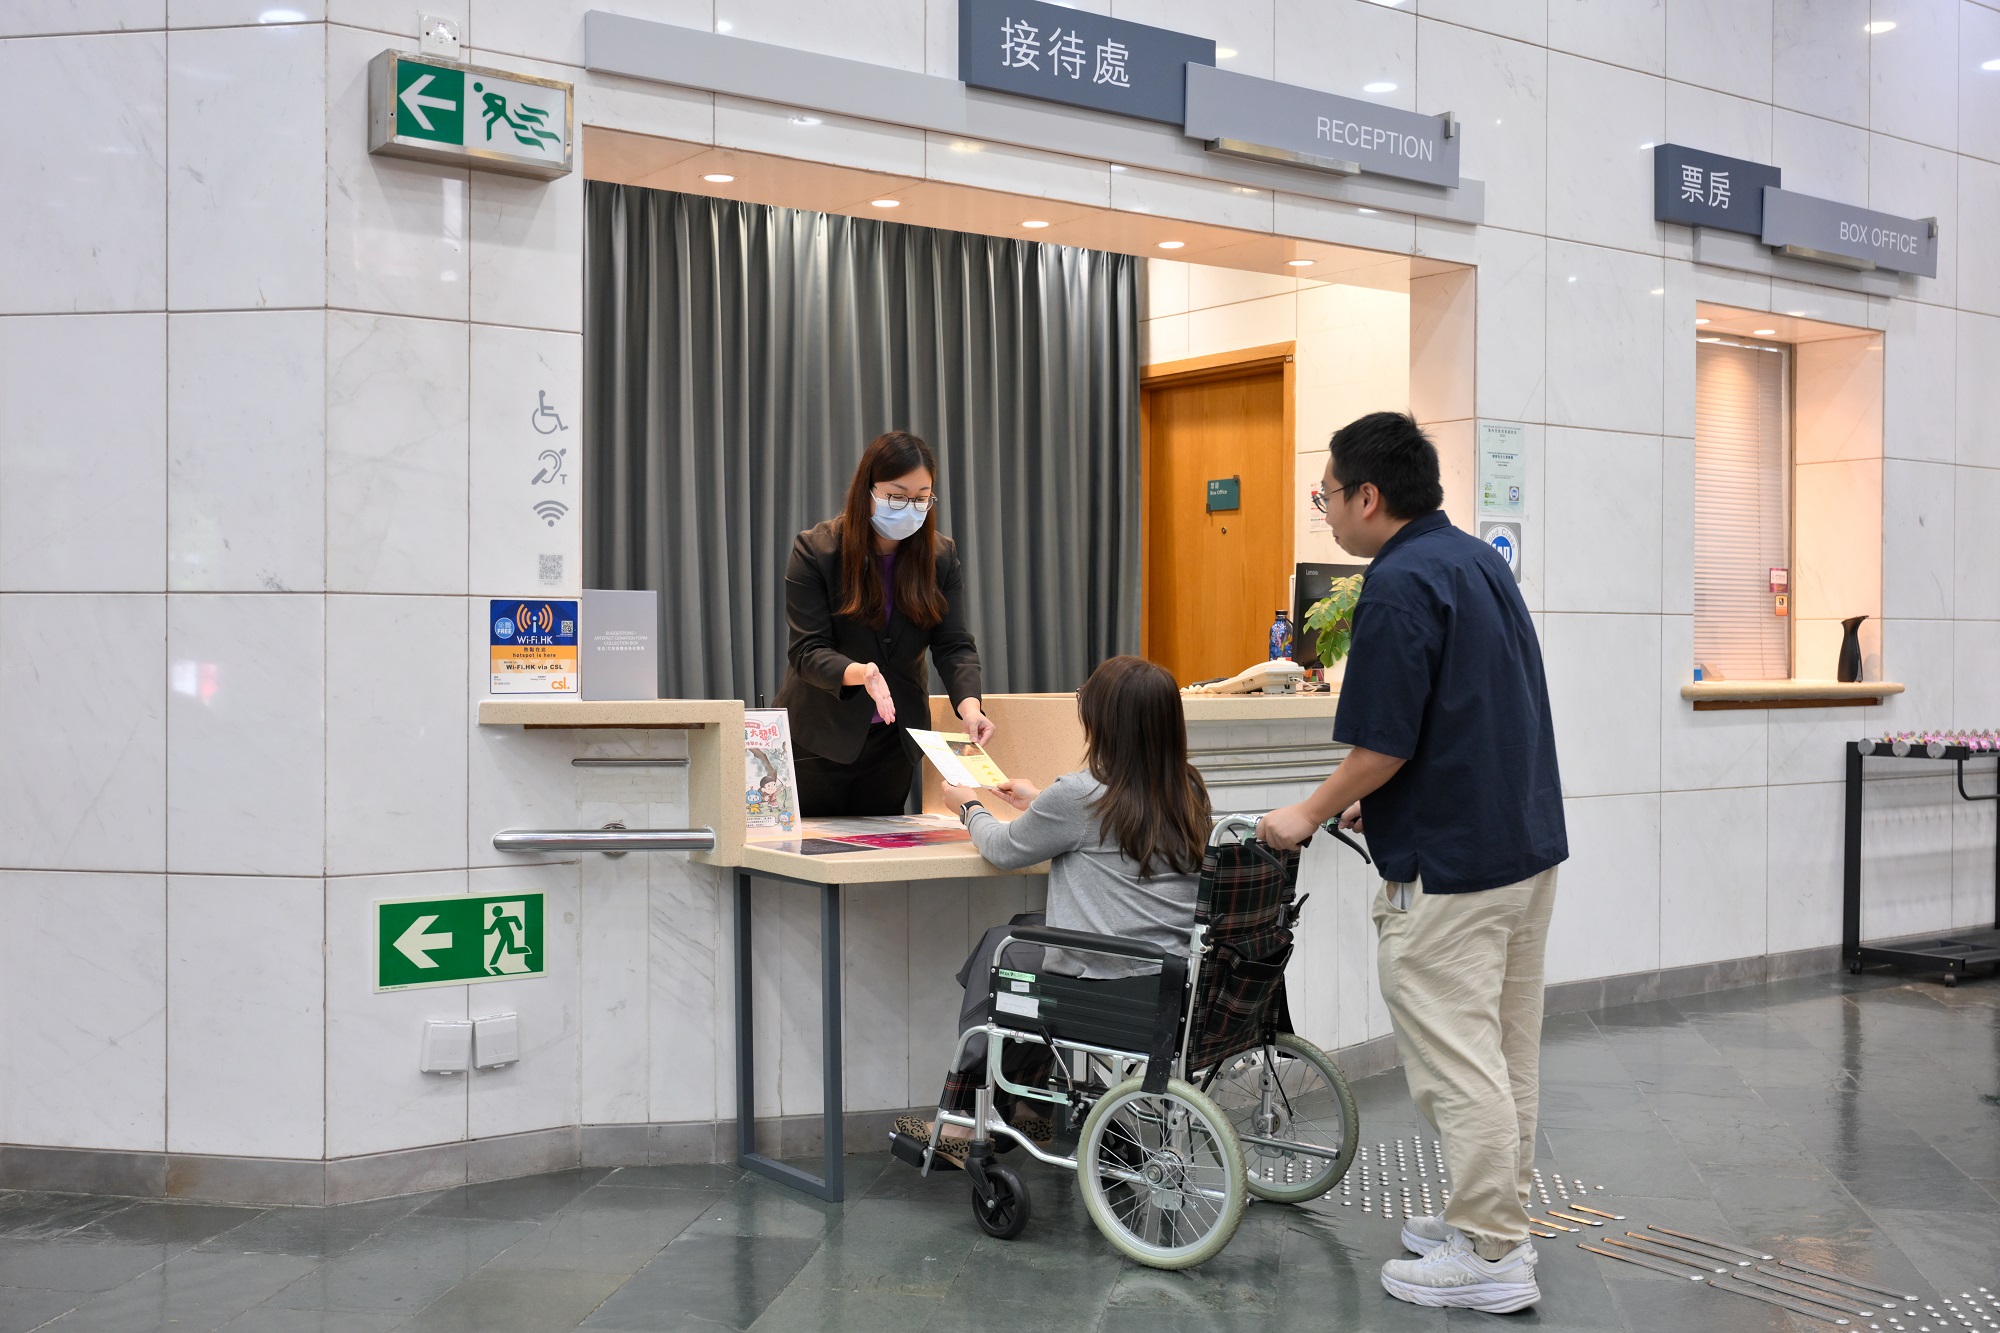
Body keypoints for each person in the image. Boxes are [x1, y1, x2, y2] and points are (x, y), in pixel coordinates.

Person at [1258, 412, 1567, 1314]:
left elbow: (1383, 740)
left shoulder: (1394, 583)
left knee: (1456, 1061)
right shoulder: (1476, 561)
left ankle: (1490, 1252)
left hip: (1453, 870)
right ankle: (1490, 1220)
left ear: (1368, 496)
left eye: (1326, 494)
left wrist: (1308, 811)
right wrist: (1379, 793)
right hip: (1522, 849)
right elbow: (1464, 716)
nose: (1324, 510)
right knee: (1507, 1053)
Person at [897, 655, 1211, 1165]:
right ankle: (1019, 1102)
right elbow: (1114, 823)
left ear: (1104, 722)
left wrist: (965, 805)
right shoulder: (1186, 788)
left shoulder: (1080, 796)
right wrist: (1038, 800)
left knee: (1003, 952)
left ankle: (963, 1118)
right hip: (1165, 975)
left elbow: (1000, 849)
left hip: (1108, 985)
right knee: (1023, 930)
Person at [775, 431, 992, 816]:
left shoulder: (940, 557)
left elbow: (953, 643)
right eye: (896, 494)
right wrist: (862, 673)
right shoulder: (816, 550)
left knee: (877, 855)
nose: (909, 506)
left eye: (921, 497)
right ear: (867, 489)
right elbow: (807, 651)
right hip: (820, 736)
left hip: (893, 743)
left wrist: (970, 707)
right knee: (807, 855)